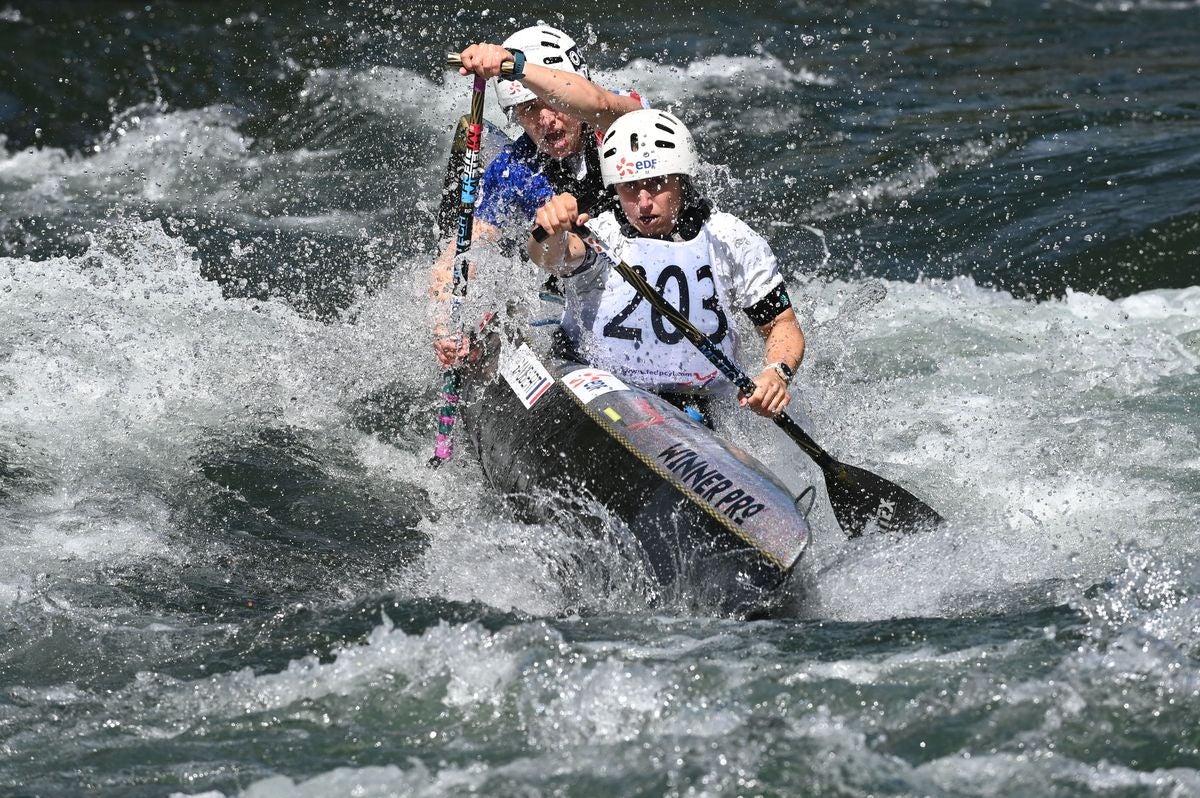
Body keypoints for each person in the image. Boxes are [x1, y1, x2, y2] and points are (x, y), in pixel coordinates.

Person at [528, 108, 805, 420]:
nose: (644, 201)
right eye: (630, 186)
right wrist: (547, 231)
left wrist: (775, 373)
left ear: (682, 180)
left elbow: (781, 324)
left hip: (692, 407)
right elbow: (550, 257)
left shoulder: (730, 238)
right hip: (595, 390)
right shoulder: (598, 232)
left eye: (657, 183)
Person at [431, 25, 648, 366]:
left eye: (553, 102)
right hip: (566, 263)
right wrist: (445, 327)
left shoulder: (620, 120)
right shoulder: (515, 169)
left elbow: (598, 101)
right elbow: (459, 257)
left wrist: (514, 65)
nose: (546, 119)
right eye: (529, 109)